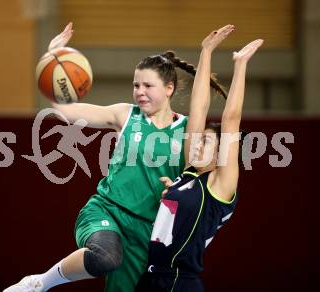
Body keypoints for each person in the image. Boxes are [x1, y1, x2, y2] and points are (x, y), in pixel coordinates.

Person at [3, 22, 227, 292]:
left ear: (169, 88)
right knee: (106, 255)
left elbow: (200, 103)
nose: (140, 91)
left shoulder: (187, 131)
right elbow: (64, 109)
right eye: (136, 85)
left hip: (148, 233)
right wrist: (54, 60)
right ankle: (39, 283)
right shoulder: (125, 115)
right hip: (107, 211)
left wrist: (206, 53)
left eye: (148, 85)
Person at [135, 25, 263, 291]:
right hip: (150, 278)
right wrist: (206, 52)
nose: (197, 142)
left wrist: (240, 66)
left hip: (179, 281)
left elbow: (230, 120)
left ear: (221, 153)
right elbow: (198, 106)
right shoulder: (188, 174)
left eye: (206, 141)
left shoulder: (219, 186)